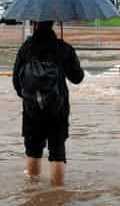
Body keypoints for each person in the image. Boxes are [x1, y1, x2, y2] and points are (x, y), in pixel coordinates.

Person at [12, 21, 84, 186]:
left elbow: (16, 83)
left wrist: (33, 98)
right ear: (53, 23)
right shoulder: (63, 48)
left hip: (31, 109)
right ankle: (57, 196)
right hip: (58, 108)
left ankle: (32, 193)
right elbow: (77, 78)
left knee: (33, 151)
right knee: (57, 151)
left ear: (34, 24)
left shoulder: (26, 48)